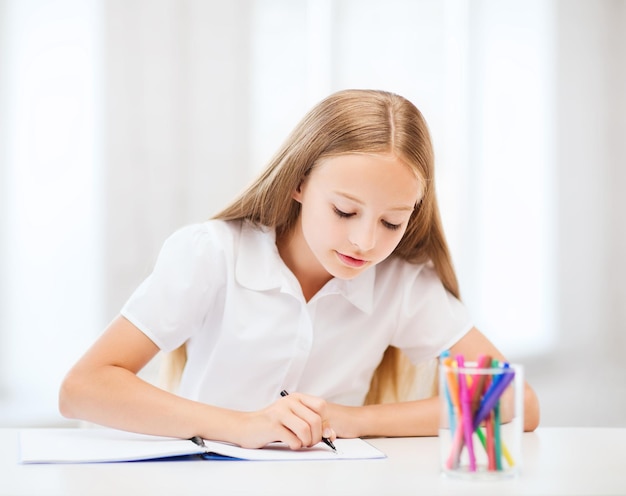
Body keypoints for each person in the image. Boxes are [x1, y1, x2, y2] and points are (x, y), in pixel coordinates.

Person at [59, 89, 540, 450]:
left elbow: (519, 401)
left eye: (393, 221)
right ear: (300, 183)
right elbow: (82, 389)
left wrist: (354, 419)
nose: (366, 242)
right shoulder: (212, 253)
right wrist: (243, 426)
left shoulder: (402, 283)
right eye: (345, 212)